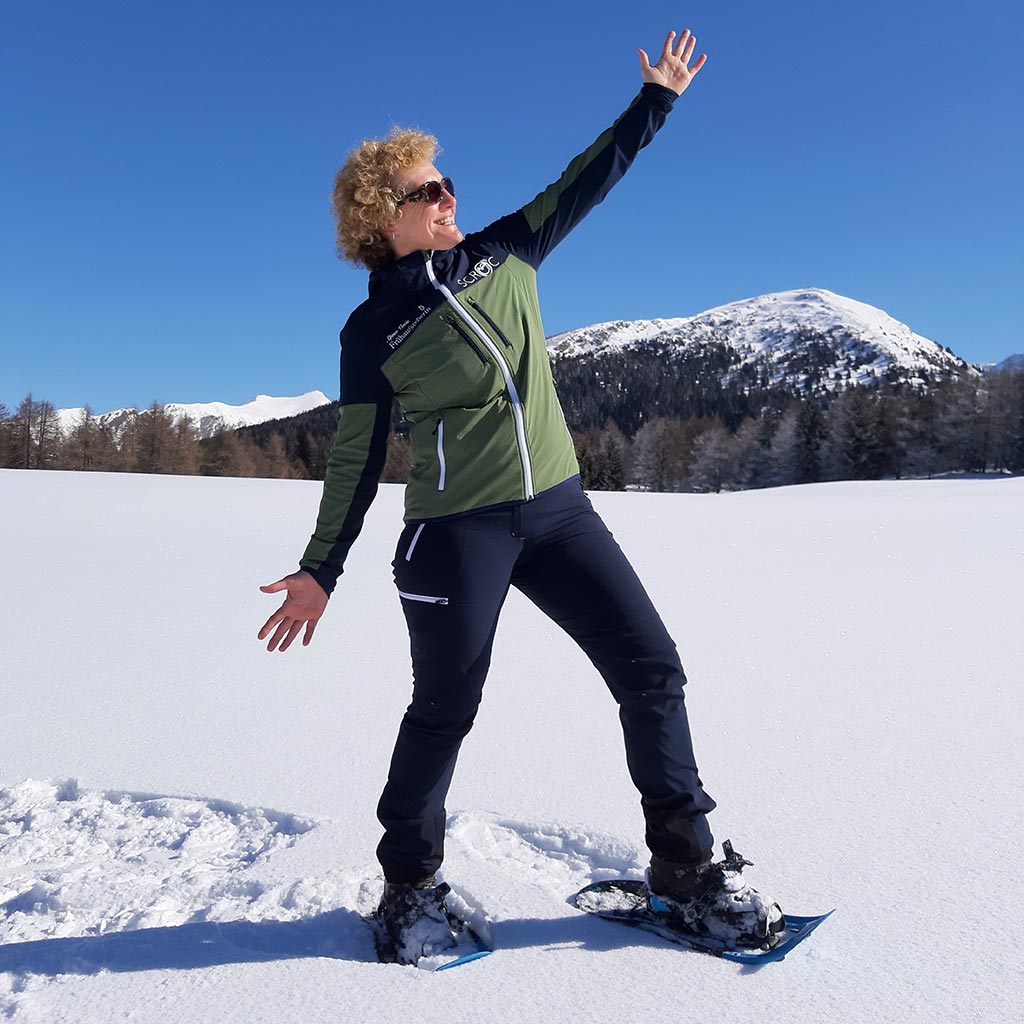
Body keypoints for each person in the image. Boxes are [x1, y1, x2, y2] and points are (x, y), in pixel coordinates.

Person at [259, 28, 783, 964]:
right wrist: (319, 569)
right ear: (386, 213)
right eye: (429, 188)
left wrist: (654, 101)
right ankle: (410, 886)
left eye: (447, 181)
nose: (449, 194)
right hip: (456, 535)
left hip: (561, 514)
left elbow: (588, 176)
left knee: (651, 669)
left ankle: (687, 869)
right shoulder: (372, 328)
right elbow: (356, 455)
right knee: (446, 710)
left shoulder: (504, 253)